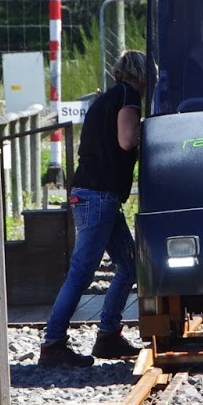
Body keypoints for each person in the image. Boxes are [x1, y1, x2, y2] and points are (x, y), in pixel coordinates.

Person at [38, 50, 148, 368]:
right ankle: (53, 343)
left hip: (95, 192)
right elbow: (127, 140)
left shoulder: (104, 99)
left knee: (129, 265)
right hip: (99, 194)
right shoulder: (128, 95)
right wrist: (151, 131)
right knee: (82, 272)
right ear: (140, 75)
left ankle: (108, 336)